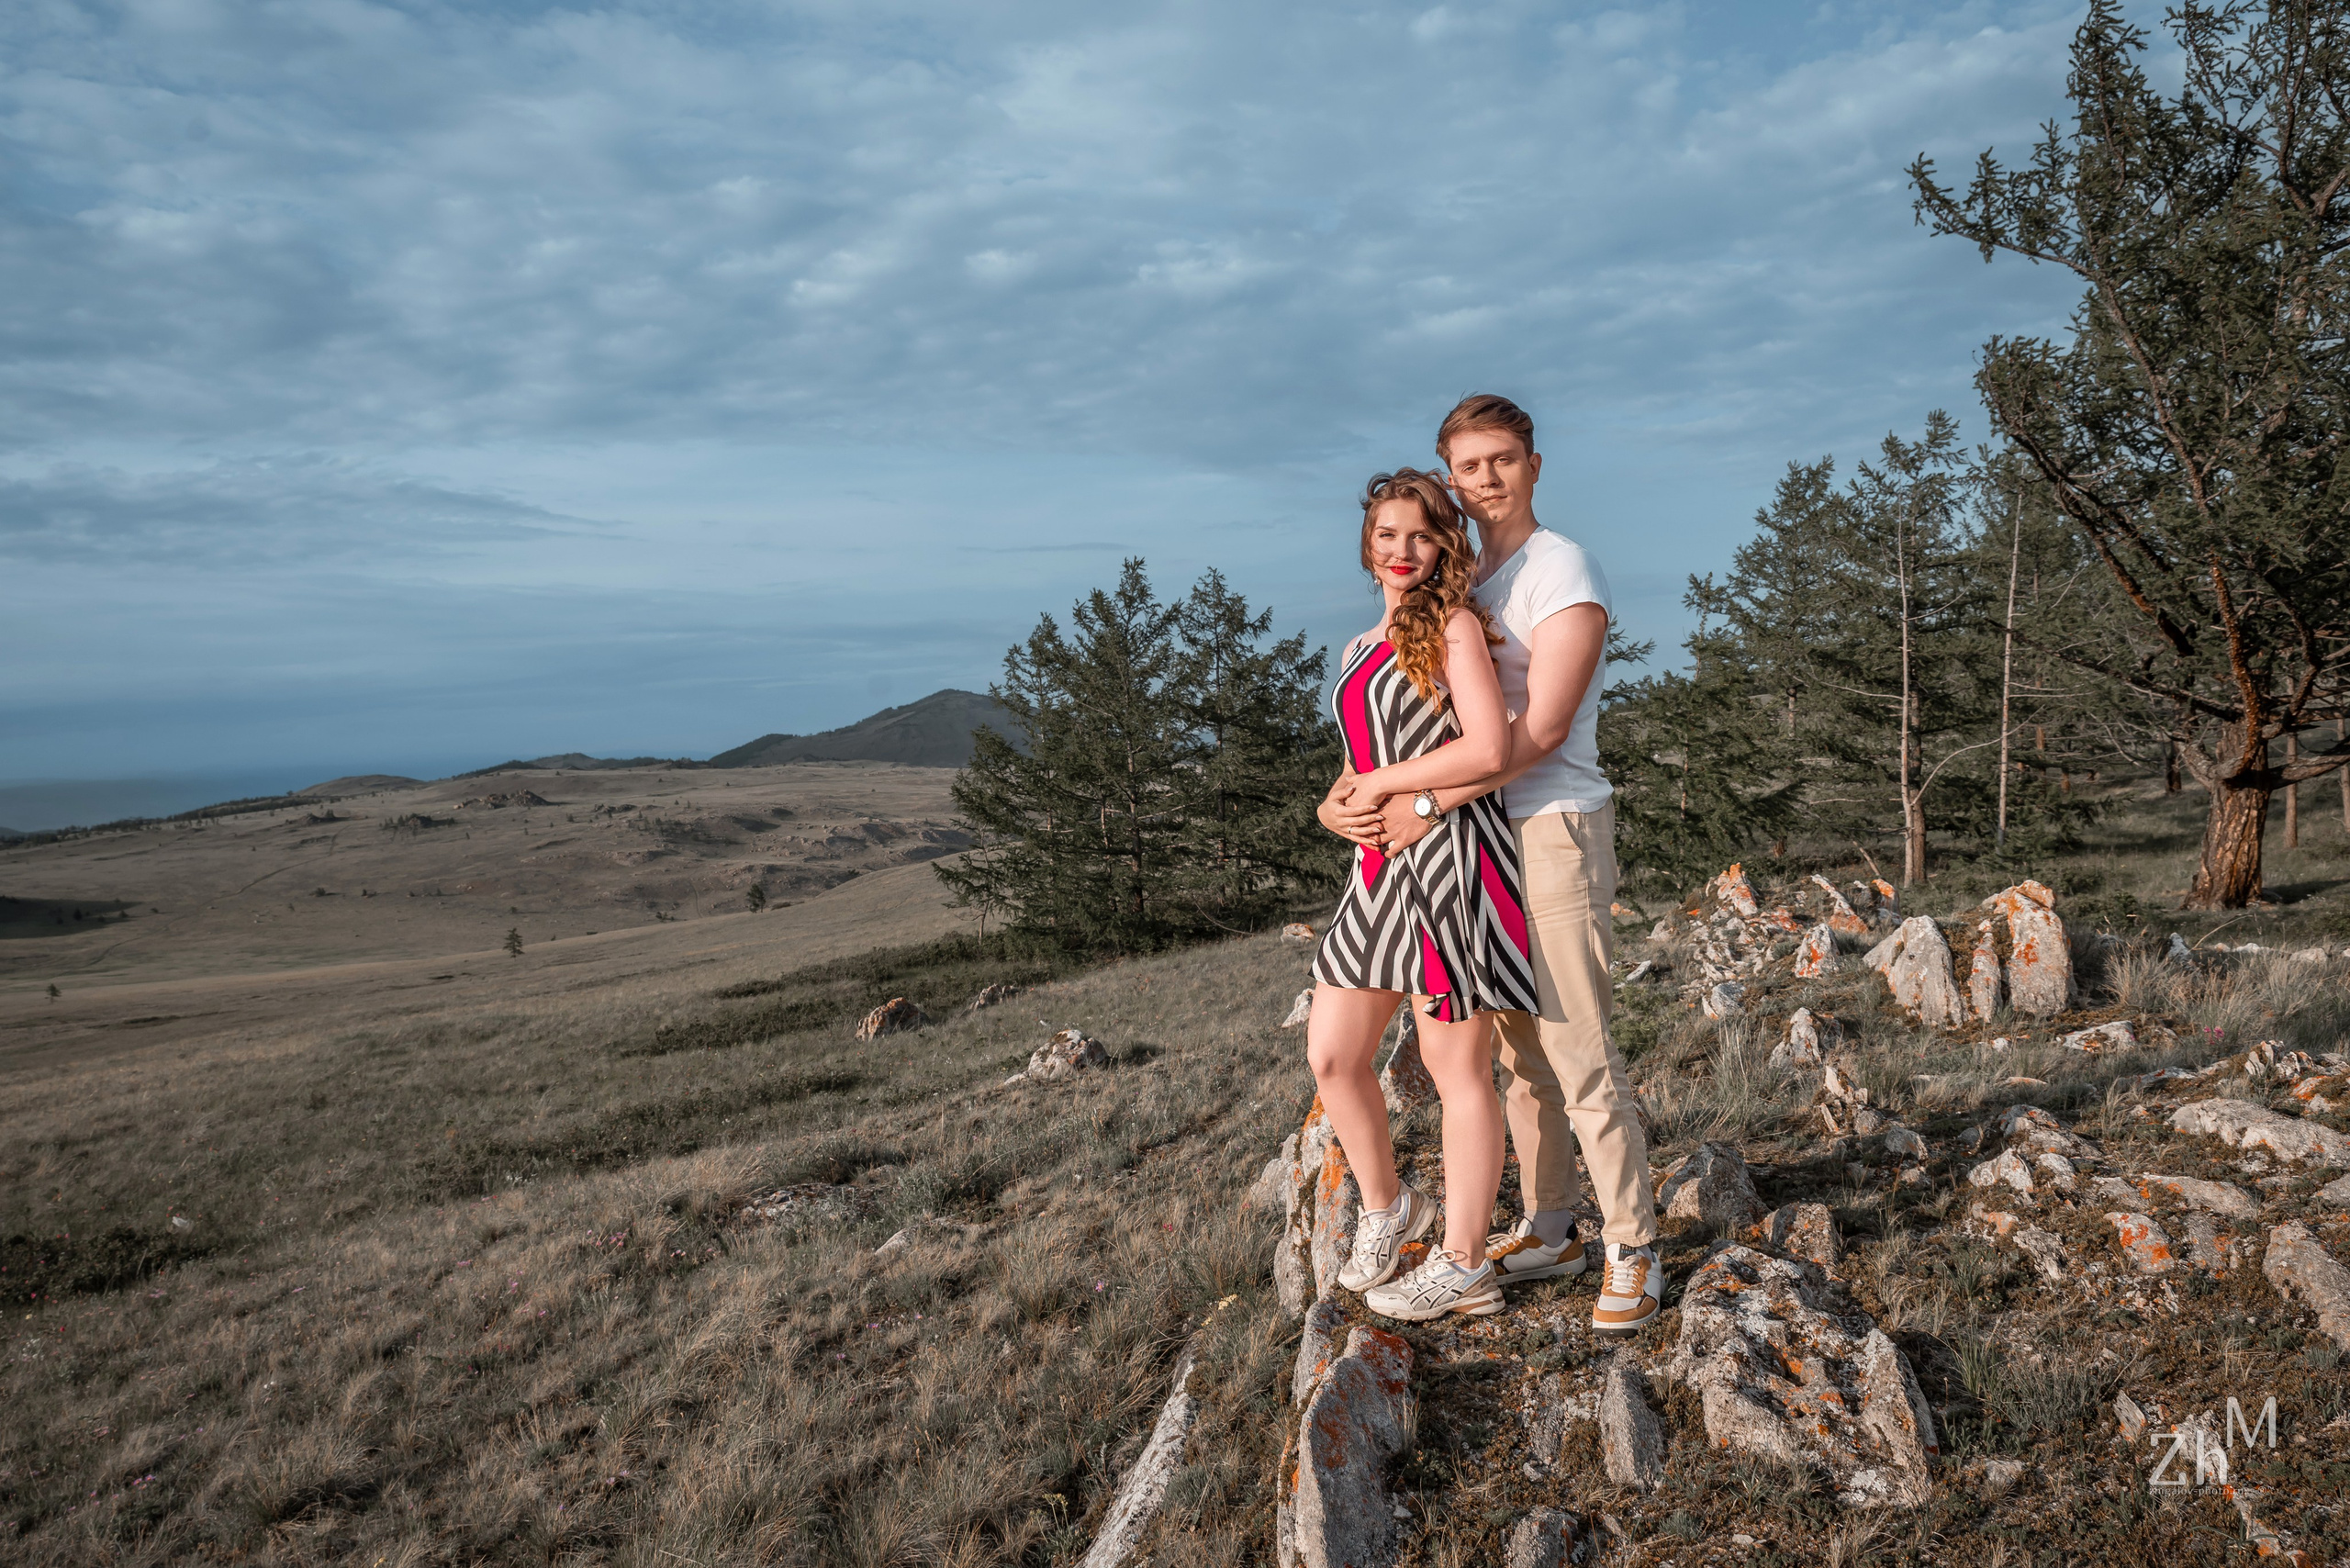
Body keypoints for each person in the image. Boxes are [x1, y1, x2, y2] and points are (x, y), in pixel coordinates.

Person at [1326, 393, 1662, 1338]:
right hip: (1478, 845)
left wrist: (1422, 801)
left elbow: (1541, 729)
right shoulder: (1471, 579)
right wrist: (1356, 799)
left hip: (1550, 826)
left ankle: (1634, 1247)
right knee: (1517, 1059)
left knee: (1577, 1048)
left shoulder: (1562, 570)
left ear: (1533, 465)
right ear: (1450, 478)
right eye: (1468, 467)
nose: (1486, 480)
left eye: (1502, 460)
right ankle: (1551, 1228)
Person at [1306, 468, 1539, 1322]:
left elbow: (1488, 748)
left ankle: (1466, 1263)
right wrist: (1335, 806)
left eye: (1420, 535)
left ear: (1444, 545)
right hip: (1375, 870)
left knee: (1455, 1068)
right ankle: (1389, 1206)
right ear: (1367, 545)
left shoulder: (1454, 626)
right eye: (1386, 534)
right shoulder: (1356, 648)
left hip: (1450, 860)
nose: (1401, 550)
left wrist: (1388, 787)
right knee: (1333, 1056)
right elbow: (1356, 761)